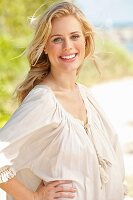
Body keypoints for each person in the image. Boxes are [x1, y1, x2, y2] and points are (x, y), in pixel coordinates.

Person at [0, 1, 127, 200]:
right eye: (57, 39)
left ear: (85, 41)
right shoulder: (43, 102)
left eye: (74, 36)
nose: (68, 46)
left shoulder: (86, 96)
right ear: (44, 47)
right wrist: (33, 197)